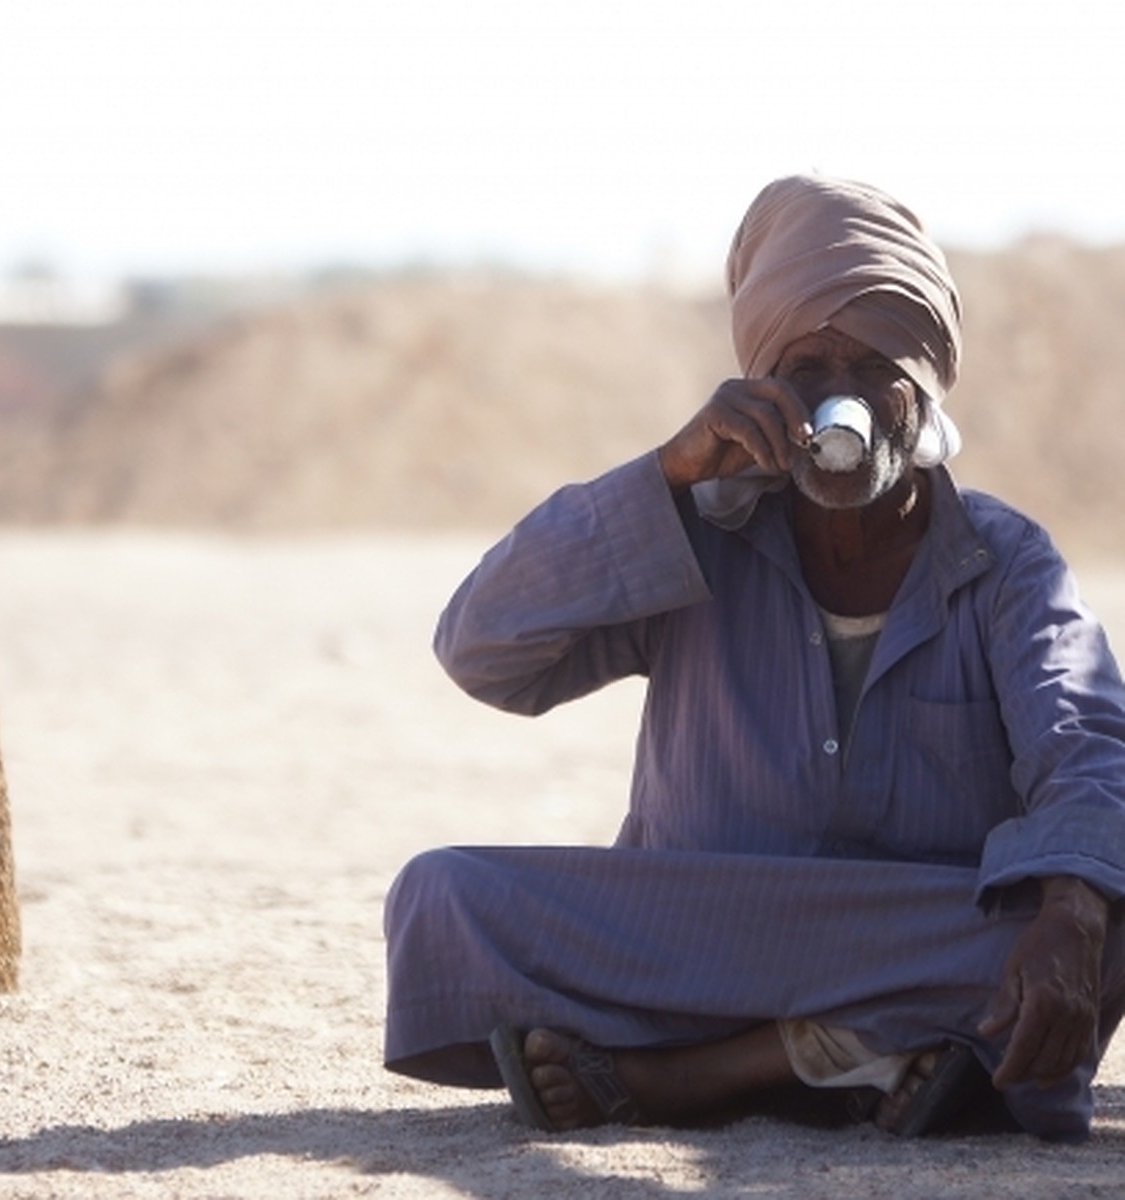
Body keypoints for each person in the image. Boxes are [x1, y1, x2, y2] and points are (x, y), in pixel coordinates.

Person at [382, 174, 1125, 1142]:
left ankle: (693, 1076)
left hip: (909, 930)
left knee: (1098, 928)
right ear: (762, 379)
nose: (839, 400)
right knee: (441, 899)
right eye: (806, 368)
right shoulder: (697, 530)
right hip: (702, 935)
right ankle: (856, 1054)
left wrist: (1070, 914)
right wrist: (664, 476)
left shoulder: (1004, 561)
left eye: (871, 367)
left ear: (925, 385)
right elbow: (482, 648)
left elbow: (1088, 747)